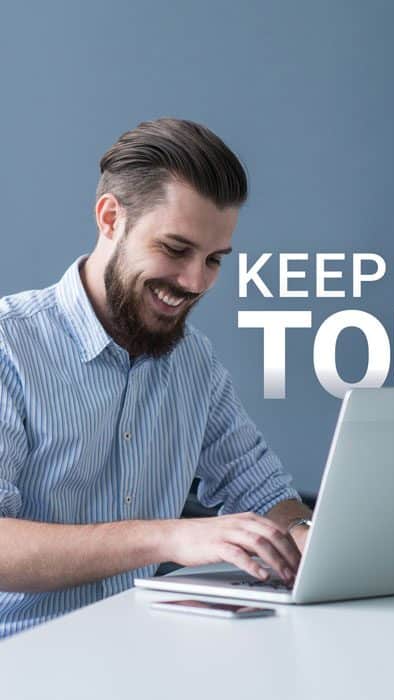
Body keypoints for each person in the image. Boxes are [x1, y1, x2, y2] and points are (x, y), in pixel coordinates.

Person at [0, 118, 312, 638]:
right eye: (175, 249)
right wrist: (167, 538)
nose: (195, 282)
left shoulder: (194, 361)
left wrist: (304, 535)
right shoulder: (9, 347)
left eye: (214, 260)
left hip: (140, 653)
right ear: (109, 219)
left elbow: (260, 488)